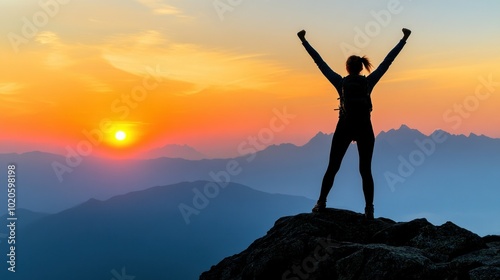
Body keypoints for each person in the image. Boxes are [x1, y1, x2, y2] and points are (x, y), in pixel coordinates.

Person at [298, 28, 411, 219]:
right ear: (361, 67)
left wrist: (304, 40)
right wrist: (404, 39)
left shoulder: (340, 82)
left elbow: (319, 62)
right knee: (365, 170)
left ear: (347, 67)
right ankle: (369, 209)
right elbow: (387, 62)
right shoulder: (369, 82)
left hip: (344, 127)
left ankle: (321, 203)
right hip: (365, 129)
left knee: (332, 167)